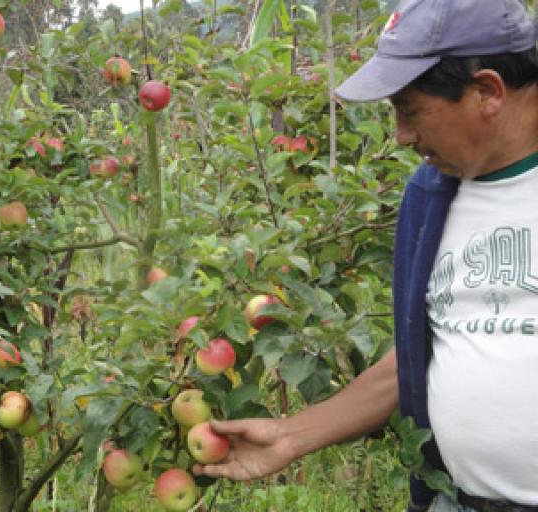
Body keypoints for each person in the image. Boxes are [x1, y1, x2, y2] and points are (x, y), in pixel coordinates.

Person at [192, 1, 538, 511]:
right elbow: (421, 353)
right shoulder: (431, 197)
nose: (400, 136)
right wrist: (292, 436)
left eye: (410, 110)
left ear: (487, 91)